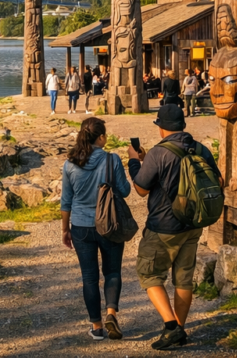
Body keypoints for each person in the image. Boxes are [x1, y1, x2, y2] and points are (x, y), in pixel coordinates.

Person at [126, 104, 221, 349]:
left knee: (149, 274)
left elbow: (140, 189)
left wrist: (134, 162)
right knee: (184, 280)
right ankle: (179, 329)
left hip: (164, 227)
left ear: (161, 127)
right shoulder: (200, 148)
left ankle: (171, 326)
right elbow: (218, 180)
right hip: (193, 223)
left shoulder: (159, 153)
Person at [61, 117, 132, 341]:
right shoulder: (112, 160)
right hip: (109, 224)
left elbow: (66, 201)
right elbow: (125, 190)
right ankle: (111, 312)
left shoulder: (70, 163)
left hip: (81, 226)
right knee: (112, 272)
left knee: (89, 278)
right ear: (100, 137)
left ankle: (97, 326)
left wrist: (65, 229)